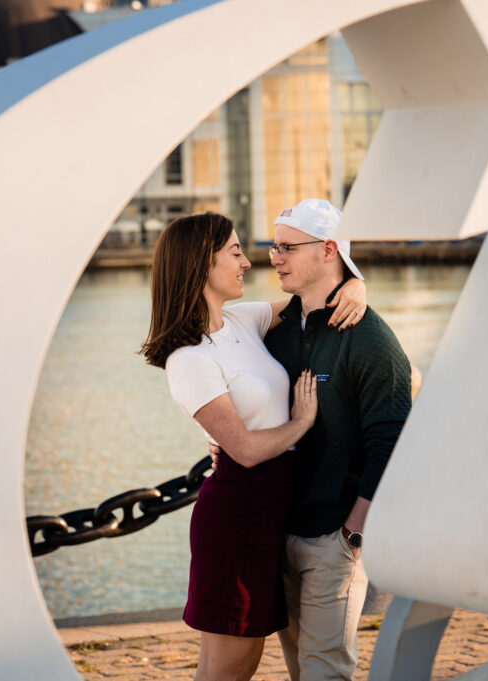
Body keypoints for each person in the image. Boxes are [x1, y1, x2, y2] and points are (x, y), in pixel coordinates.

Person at [141, 212, 367, 681]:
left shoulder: (242, 321)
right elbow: (243, 449)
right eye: (235, 251)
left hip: (269, 515)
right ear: (202, 264)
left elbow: (314, 298)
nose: (246, 262)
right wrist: (303, 421)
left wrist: (356, 283)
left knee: (238, 660)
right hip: (238, 517)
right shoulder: (189, 359)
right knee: (230, 670)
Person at [266, 198, 412, 681]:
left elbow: (392, 439)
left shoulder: (369, 338)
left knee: (325, 672)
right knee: (299, 671)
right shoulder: (276, 331)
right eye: (272, 246)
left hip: (334, 538)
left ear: (329, 250)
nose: (275, 257)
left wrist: (355, 531)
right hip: (280, 533)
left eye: (287, 247)